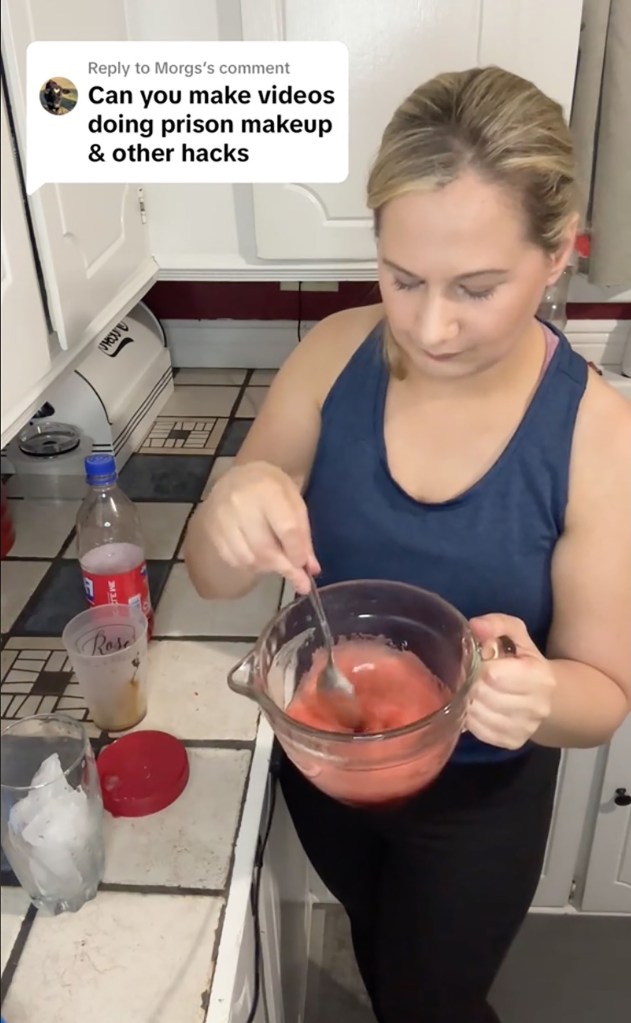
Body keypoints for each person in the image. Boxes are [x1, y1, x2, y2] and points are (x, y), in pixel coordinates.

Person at [184, 66, 631, 1022]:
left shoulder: (597, 438)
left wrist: (538, 691)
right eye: (402, 277)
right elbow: (213, 576)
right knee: (383, 949)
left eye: (476, 287)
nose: (429, 326)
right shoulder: (330, 353)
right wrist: (231, 500)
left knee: (435, 998)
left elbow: (600, 700)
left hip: (477, 804)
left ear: (558, 254)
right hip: (329, 767)